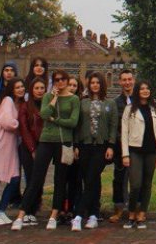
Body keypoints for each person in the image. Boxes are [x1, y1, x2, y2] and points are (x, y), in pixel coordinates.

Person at [12, 69, 80, 230]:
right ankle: (21, 215)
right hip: (46, 140)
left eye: (63, 79)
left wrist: (55, 120)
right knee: (36, 178)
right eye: (57, 80)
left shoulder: (74, 99)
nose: (60, 82)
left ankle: (54, 215)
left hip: (64, 142)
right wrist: (54, 98)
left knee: (60, 179)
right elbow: (44, 114)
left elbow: (73, 122)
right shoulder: (48, 97)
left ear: (67, 80)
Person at [72, 72, 117, 231]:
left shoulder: (110, 103)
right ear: (89, 85)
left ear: (102, 84)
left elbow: (113, 126)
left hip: (101, 146)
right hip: (84, 145)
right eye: (92, 83)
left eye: (98, 82)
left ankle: (78, 215)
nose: (95, 85)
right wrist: (76, 145)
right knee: (92, 180)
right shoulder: (82, 102)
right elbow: (78, 125)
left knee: (91, 178)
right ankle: (93, 214)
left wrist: (111, 145)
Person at [0, 78, 25, 225]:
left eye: (22, 86)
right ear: (11, 89)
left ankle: (1, 210)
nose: (20, 89)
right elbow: (7, 122)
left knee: (14, 179)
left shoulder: (20, 104)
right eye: (17, 87)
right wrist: (21, 125)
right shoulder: (7, 101)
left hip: (10, 147)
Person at [120, 80, 156, 230]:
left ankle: (142, 214)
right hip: (135, 150)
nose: (145, 91)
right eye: (142, 88)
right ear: (137, 91)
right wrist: (125, 154)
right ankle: (131, 214)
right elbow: (124, 132)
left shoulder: (155, 109)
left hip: (151, 151)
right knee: (135, 184)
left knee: (147, 184)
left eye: (147, 88)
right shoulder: (130, 109)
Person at [109, 68, 135, 223]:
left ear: (133, 80)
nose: (127, 82)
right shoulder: (115, 103)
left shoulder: (140, 101)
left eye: (129, 79)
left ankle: (135, 209)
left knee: (136, 180)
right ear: (120, 82)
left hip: (137, 147)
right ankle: (119, 209)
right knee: (119, 179)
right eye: (124, 80)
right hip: (120, 147)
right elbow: (114, 126)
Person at [17, 78, 45, 203]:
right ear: (31, 90)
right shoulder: (25, 106)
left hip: (44, 146)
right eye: (36, 88)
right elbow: (24, 129)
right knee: (31, 177)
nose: (39, 91)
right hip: (29, 147)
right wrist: (32, 148)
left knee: (40, 177)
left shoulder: (47, 105)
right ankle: (27, 206)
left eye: (42, 88)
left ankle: (36, 204)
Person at [61, 76, 83, 220]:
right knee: (62, 178)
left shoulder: (80, 103)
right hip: (63, 143)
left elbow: (79, 127)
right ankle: (61, 208)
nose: (72, 87)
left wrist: (77, 145)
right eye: (70, 84)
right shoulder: (61, 101)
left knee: (75, 179)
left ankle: (72, 208)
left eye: (75, 85)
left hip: (75, 145)